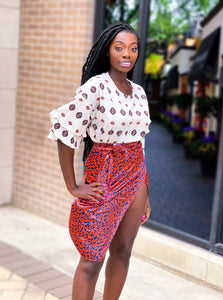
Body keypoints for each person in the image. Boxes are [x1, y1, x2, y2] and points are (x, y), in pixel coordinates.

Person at [48, 22, 151, 300]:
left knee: (123, 251)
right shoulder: (96, 87)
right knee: (92, 258)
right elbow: (65, 131)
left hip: (136, 176)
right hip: (104, 175)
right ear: (108, 51)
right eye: (119, 48)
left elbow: (140, 142)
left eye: (132, 48)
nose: (126, 54)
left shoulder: (139, 92)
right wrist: (73, 185)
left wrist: (146, 192)